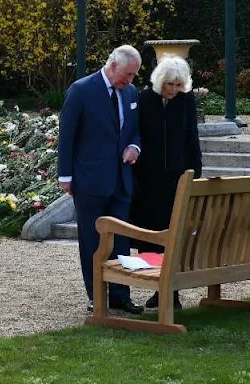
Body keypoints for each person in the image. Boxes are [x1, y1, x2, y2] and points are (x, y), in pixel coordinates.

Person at [58, 45, 144, 314]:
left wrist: (135, 147)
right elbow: (67, 135)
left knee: (121, 241)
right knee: (92, 240)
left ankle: (121, 295)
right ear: (113, 65)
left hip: (121, 179)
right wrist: (65, 176)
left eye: (134, 75)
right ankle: (97, 295)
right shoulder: (81, 90)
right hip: (90, 179)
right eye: (128, 74)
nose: (131, 80)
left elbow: (135, 130)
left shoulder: (130, 93)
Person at [130, 54, 203, 309]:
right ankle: (156, 285)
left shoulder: (185, 102)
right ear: (160, 81)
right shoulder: (144, 99)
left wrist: (195, 174)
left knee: (174, 235)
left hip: (176, 178)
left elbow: (191, 138)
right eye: (169, 84)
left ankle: (171, 292)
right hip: (148, 179)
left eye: (178, 84)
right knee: (149, 235)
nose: (173, 89)